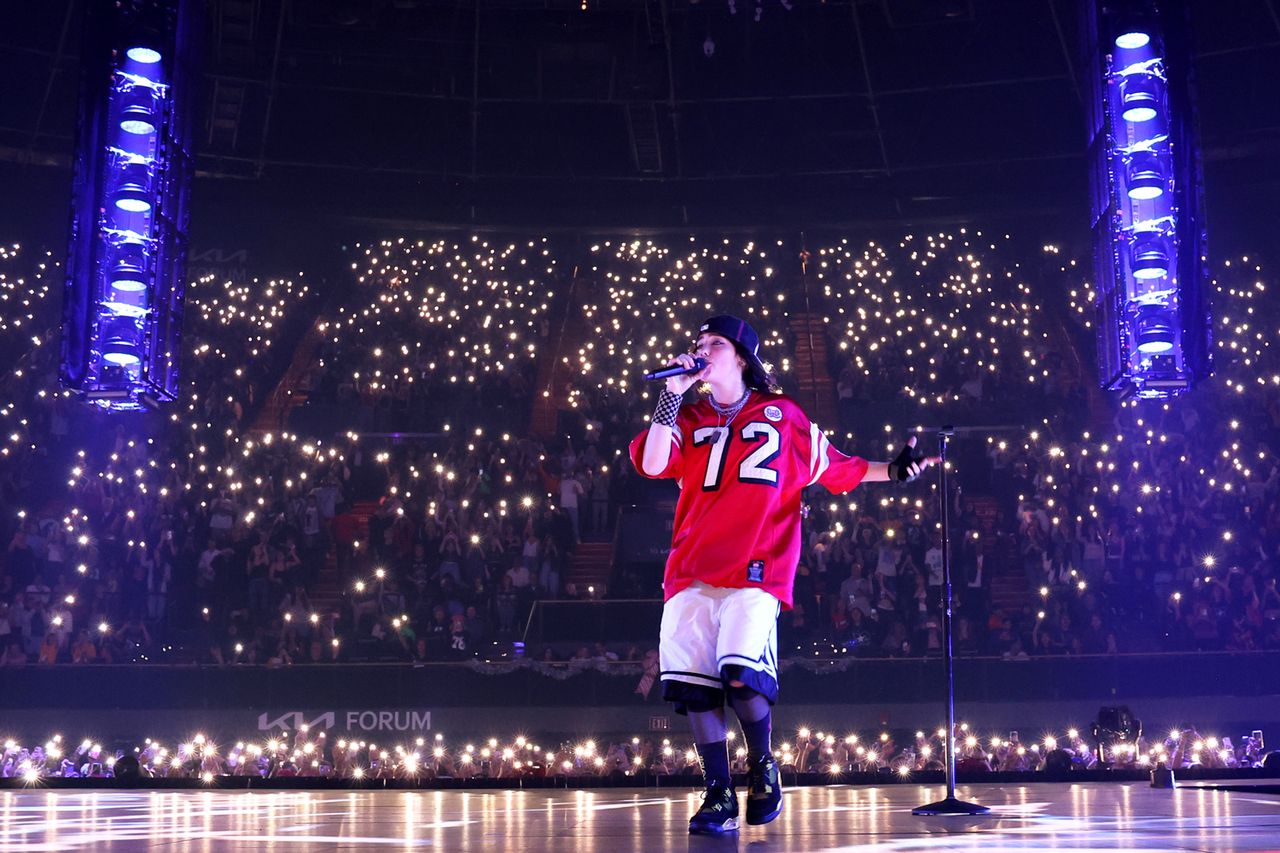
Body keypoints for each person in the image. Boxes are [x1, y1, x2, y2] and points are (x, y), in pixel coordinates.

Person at [629, 314, 935, 835]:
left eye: (714, 343)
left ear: (741, 356)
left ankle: (763, 764)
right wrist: (671, 396)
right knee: (695, 689)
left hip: (757, 566)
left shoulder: (782, 414)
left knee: (739, 673)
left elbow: (836, 466)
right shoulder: (689, 414)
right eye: (698, 343)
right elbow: (654, 464)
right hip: (691, 569)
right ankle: (718, 793)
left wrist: (893, 470)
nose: (701, 350)